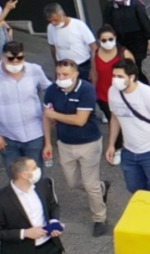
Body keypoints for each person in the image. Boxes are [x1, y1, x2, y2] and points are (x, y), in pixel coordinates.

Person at [43, 60, 107, 235]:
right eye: (58, 74)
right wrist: (48, 142)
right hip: (65, 144)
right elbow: (46, 118)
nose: (61, 78)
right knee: (73, 182)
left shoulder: (86, 90)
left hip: (89, 143)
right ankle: (101, 188)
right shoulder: (52, 90)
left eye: (65, 75)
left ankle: (99, 218)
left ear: (76, 74)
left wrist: (54, 115)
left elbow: (80, 120)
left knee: (90, 183)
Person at [0, 41, 50, 168]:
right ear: (3, 56)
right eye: (10, 59)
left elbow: (49, 89)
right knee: (15, 177)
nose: (15, 62)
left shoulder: (35, 70)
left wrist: (51, 111)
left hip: (35, 134)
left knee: (36, 175)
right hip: (7, 137)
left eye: (19, 58)